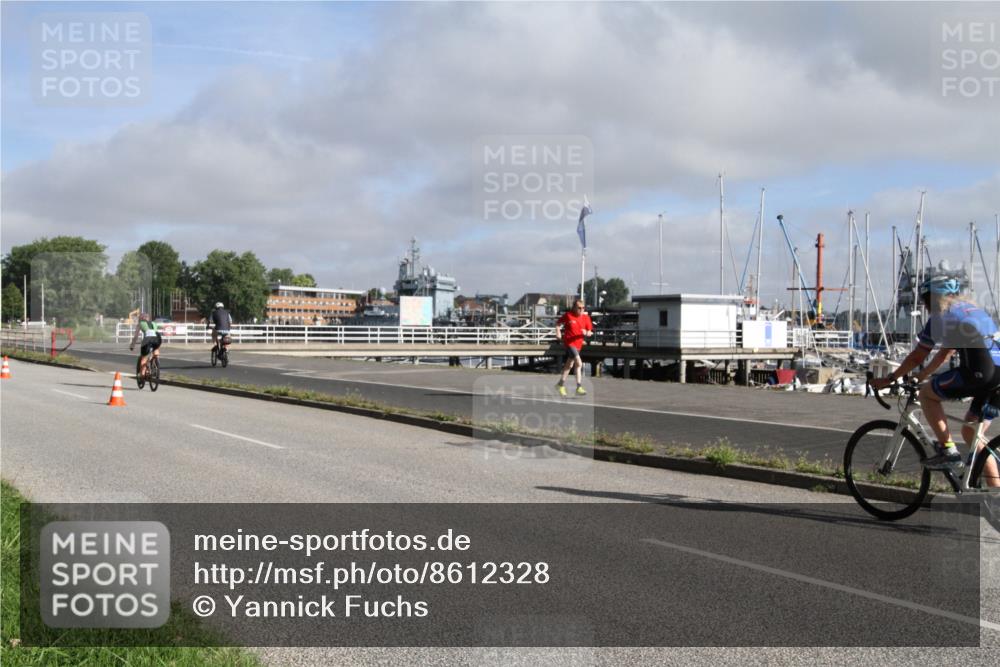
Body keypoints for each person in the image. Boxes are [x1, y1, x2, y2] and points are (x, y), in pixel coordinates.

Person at [872, 275, 1000, 483]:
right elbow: (945, 353)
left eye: (925, 300)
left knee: (927, 395)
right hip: (998, 378)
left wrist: (890, 379)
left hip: (981, 372)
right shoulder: (971, 311)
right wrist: (921, 375)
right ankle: (995, 495)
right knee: (972, 434)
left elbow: (918, 356)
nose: (924, 306)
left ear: (934, 297)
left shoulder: (942, 317)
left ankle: (948, 451)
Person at [555, 299, 593, 396]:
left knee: (569, 365)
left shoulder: (586, 318)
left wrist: (587, 333)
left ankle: (560, 385)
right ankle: (579, 387)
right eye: (579, 308)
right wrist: (558, 332)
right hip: (569, 343)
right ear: (574, 308)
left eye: (583, 308)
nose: (581, 309)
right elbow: (558, 323)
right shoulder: (568, 315)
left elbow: (590, 332)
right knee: (579, 363)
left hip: (578, 344)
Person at [129, 313, 161, 379]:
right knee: (155, 349)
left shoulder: (140, 324)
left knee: (144, 358)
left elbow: (136, 337)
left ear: (140, 319)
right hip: (158, 339)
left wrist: (132, 345)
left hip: (147, 340)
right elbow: (155, 334)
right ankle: (156, 360)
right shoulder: (154, 323)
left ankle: (142, 375)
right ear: (148, 318)